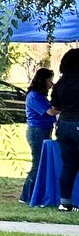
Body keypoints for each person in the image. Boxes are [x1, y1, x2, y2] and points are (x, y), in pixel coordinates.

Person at [49, 49, 79, 211]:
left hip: (63, 125)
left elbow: (56, 106)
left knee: (68, 166)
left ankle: (64, 202)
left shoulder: (60, 84)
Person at [20, 67, 55, 203]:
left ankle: (35, 194)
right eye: (50, 80)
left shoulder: (40, 96)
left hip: (43, 130)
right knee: (37, 164)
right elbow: (50, 112)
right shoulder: (34, 96)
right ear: (43, 80)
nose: (51, 84)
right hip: (37, 131)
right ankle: (27, 196)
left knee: (41, 163)